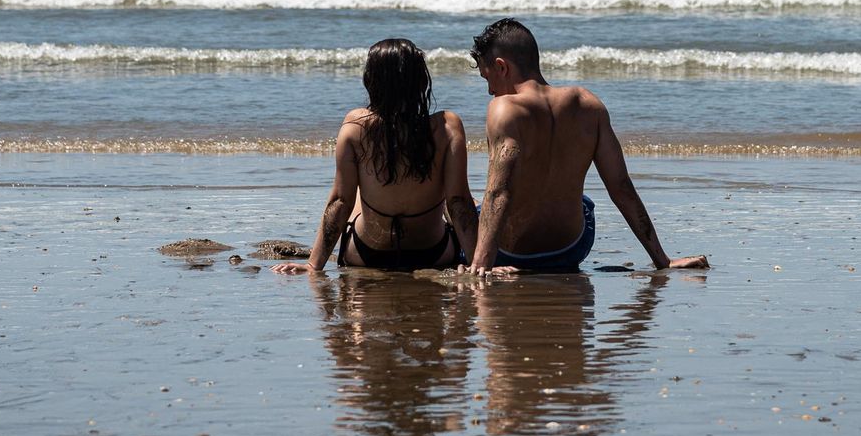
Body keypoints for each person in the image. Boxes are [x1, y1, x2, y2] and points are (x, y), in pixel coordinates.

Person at [464, 19, 709, 274]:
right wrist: (663, 260)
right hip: (570, 249)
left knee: (462, 204)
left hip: (509, 254)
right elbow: (621, 187)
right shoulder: (588, 104)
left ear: (502, 67)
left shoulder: (504, 109)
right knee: (582, 202)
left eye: (487, 78)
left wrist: (482, 266)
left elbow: (499, 193)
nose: (490, 90)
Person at [274, 39, 478, 273]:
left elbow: (340, 201)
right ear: (421, 81)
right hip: (433, 254)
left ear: (371, 81)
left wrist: (313, 264)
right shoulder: (447, 127)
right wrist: (478, 264)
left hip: (367, 253)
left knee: (357, 191)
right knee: (458, 198)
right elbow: (458, 202)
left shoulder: (355, 126)